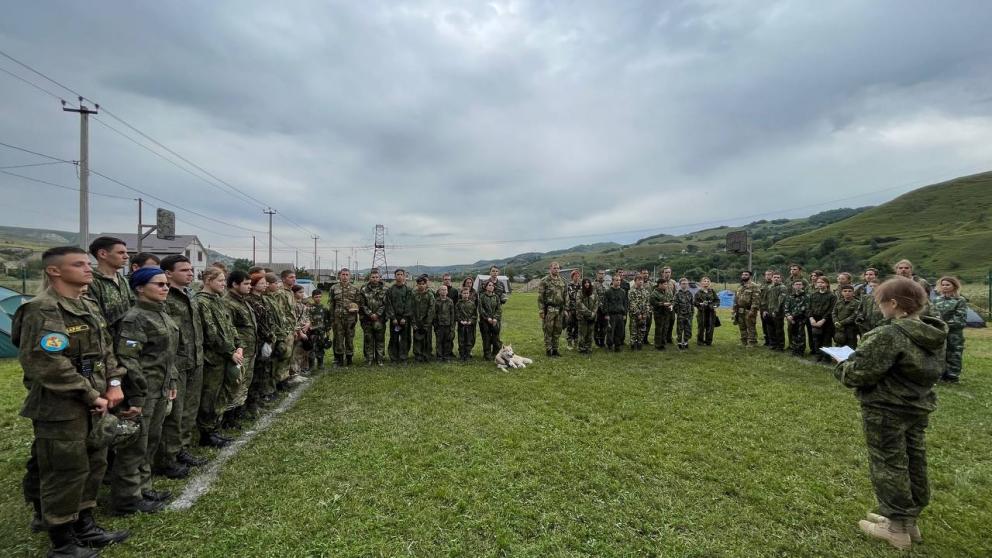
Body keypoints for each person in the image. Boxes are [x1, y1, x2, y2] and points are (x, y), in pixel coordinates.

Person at [13, 246, 131, 555]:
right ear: (54, 271)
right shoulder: (42, 309)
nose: (88, 268)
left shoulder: (88, 304)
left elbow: (107, 351)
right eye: (79, 264)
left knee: (94, 463)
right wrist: (92, 394)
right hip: (61, 406)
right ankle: (63, 541)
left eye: (88, 263)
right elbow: (47, 363)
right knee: (65, 470)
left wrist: (114, 385)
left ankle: (85, 526)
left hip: (97, 399)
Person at [833, 277, 946, 551]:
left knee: (889, 463)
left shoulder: (889, 334)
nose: (879, 308)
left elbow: (859, 373)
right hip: (916, 406)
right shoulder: (932, 333)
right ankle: (909, 521)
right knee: (913, 459)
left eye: (880, 302)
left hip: (886, 408)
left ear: (893, 303)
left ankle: (895, 527)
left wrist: (843, 364)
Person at [109, 267, 179, 515]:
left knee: (151, 440)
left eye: (166, 284)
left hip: (160, 387)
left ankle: (143, 487)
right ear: (140, 288)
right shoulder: (135, 318)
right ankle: (127, 498)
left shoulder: (161, 314)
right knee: (135, 445)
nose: (165, 288)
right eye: (158, 284)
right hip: (143, 390)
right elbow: (129, 360)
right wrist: (137, 395)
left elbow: (168, 356)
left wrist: (170, 382)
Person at [155, 255, 207, 477]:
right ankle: (167, 457)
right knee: (174, 413)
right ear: (168, 273)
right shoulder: (164, 298)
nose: (190, 273)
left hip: (194, 358)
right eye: (184, 270)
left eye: (191, 269)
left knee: (189, 409)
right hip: (176, 362)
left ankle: (181, 449)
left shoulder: (189, 295)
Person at [194, 267, 242, 449]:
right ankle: (206, 433)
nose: (224, 284)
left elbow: (229, 326)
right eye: (220, 281)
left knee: (222, 393)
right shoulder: (201, 302)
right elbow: (211, 333)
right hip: (213, 358)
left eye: (224, 280)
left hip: (228, 356)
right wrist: (230, 352)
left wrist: (238, 346)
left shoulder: (218, 301)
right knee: (210, 396)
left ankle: (214, 428)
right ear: (208, 280)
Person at [222, 271, 257, 428]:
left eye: (250, 284)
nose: (249, 287)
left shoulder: (243, 301)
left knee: (244, 383)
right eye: (246, 284)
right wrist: (236, 349)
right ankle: (228, 418)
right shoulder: (228, 303)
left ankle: (238, 412)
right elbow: (229, 329)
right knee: (235, 384)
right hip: (239, 351)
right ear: (235, 284)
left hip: (249, 349)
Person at [87, 236, 135, 335]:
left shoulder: (123, 280)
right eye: (121, 253)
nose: (127, 256)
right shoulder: (91, 281)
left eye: (126, 253)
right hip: (105, 341)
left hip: (126, 338)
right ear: (102, 254)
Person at [244, 271, 277, 415]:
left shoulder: (263, 299)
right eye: (262, 283)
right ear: (254, 285)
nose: (265, 285)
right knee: (255, 374)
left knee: (263, 371)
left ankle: (257, 400)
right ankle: (251, 404)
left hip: (266, 339)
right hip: (258, 340)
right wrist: (267, 336)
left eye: (266, 283)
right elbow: (259, 323)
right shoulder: (251, 300)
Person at [933, 276, 968, 383]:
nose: (945, 287)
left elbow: (960, 318)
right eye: (943, 285)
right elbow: (933, 314)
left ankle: (952, 376)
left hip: (954, 333)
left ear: (954, 286)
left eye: (947, 285)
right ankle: (940, 375)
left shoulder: (960, 300)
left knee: (954, 353)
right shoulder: (937, 300)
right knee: (939, 353)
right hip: (939, 331)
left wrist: (944, 324)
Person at [329, 268, 361, 367]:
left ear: (350, 276)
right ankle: (338, 359)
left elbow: (359, 303)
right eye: (343, 274)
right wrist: (331, 319)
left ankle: (349, 358)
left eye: (347, 274)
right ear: (339, 276)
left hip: (350, 319)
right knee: (338, 338)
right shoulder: (334, 288)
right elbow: (331, 304)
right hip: (337, 318)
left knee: (349, 338)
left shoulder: (355, 289)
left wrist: (355, 308)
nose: (345, 277)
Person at [537, 262, 567, 357]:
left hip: (560, 309)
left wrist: (566, 309)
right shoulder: (545, 281)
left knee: (557, 330)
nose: (556, 270)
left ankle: (555, 349)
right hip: (549, 309)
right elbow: (540, 297)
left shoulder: (563, 281)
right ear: (550, 269)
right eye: (554, 268)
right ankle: (548, 350)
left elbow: (566, 296)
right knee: (548, 330)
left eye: (558, 268)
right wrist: (541, 310)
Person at [359, 268, 387, 366]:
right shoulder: (363, 289)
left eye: (376, 277)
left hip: (380, 319)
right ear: (369, 278)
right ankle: (369, 359)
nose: (375, 279)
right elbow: (362, 304)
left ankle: (380, 359)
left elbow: (385, 304)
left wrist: (377, 314)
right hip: (367, 319)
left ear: (379, 278)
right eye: (373, 277)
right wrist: (370, 314)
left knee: (380, 339)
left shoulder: (385, 289)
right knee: (368, 339)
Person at [385, 269, 414, 364]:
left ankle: (403, 357)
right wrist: (392, 318)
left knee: (405, 339)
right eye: (398, 274)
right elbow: (388, 304)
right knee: (394, 338)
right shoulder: (390, 290)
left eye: (401, 274)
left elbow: (409, 304)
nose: (400, 276)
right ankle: (394, 358)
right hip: (394, 319)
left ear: (404, 276)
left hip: (404, 319)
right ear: (395, 276)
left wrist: (405, 318)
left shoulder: (408, 290)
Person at [809, 276, 836, 362]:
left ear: (827, 284)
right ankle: (818, 356)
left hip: (827, 321)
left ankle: (826, 358)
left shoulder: (832, 296)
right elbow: (809, 307)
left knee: (826, 339)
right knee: (816, 338)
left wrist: (823, 320)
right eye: (818, 282)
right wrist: (811, 318)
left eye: (822, 282)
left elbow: (831, 309)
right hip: (815, 319)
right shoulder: (813, 295)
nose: (820, 284)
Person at [410, 275, 436, 363]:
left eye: (423, 284)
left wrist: (427, 323)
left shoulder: (430, 295)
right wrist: (413, 323)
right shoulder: (414, 294)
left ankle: (426, 355)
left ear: (426, 284)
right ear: (417, 285)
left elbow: (431, 309)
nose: (421, 285)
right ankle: (418, 355)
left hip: (426, 322)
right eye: (419, 284)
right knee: (417, 338)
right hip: (417, 321)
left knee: (427, 339)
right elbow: (411, 309)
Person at [732, 270, 762, 347]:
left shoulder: (754, 286)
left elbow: (756, 299)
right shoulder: (740, 286)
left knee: (750, 326)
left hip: (749, 309)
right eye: (743, 275)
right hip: (739, 309)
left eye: (746, 275)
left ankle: (752, 342)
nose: (744, 276)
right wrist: (734, 309)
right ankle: (744, 341)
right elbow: (736, 298)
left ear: (750, 276)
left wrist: (753, 310)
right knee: (742, 326)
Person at [289, 285, 312, 376]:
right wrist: (300, 332)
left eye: (303, 292)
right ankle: (294, 373)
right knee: (295, 354)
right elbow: (293, 320)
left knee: (303, 352)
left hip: (305, 331)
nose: (302, 294)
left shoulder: (303, 305)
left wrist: (308, 324)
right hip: (298, 333)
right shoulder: (293, 305)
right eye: (300, 292)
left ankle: (302, 369)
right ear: (294, 293)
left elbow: (307, 317)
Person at [762, 272, 787, 351]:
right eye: (775, 277)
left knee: (779, 329)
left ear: (781, 279)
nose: (776, 279)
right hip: (769, 311)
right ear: (772, 278)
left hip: (778, 312)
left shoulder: (782, 287)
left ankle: (780, 346)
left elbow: (781, 300)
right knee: (770, 329)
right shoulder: (769, 287)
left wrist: (776, 311)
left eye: (778, 277)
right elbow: (765, 299)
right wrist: (764, 310)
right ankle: (773, 344)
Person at [602, 275, 628, 352]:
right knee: (610, 331)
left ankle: (617, 345)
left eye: (619, 280)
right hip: (611, 314)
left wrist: (624, 314)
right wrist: (606, 314)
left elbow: (625, 303)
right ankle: (609, 346)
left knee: (619, 331)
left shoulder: (622, 291)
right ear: (612, 281)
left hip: (620, 314)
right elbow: (605, 304)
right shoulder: (608, 291)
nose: (618, 281)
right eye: (616, 280)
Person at [479, 280, 503, 360]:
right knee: (486, 338)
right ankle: (487, 354)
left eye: (492, 285)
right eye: (489, 285)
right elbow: (481, 309)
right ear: (485, 287)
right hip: (485, 321)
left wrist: (495, 318)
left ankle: (496, 353)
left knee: (496, 338)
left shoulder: (496, 297)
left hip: (495, 321)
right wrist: (487, 318)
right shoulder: (482, 296)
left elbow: (499, 309)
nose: (491, 286)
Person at [784, 280, 809, 356]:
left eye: (799, 284)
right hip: (791, 319)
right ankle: (794, 349)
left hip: (801, 318)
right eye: (796, 284)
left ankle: (800, 351)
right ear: (793, 286)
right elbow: (786, 308)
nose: (798, 286)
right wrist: (788, 316)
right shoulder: (790, 297)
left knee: (800, 335)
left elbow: (807, 308)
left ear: (802, 286)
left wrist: (795, 316)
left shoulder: (807, 296)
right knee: (793, 333)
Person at [694, 276, 720, 346]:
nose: (706, 282)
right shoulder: (698, 292)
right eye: (704, 281)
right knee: (701, 327)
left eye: (708, 281)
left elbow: (717, 300)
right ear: (701, 283)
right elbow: (695, 302)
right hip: (702, 312)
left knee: (710, 327)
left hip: (711, 312)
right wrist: (700, 304)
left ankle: (708, 342)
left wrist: (715, 305)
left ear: (710, 283)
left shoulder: (712, 291)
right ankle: (700, 342)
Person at [649, 278, 674, 351]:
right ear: (660, 284)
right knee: (659, 329)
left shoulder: (668, 292)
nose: (666, 285)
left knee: (665, 329)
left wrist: (671, 305)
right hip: (659, 314)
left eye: (666, 284)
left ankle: (663, 343)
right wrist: (663, 304)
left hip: (667, 313)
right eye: (665, 284)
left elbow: (671, 300)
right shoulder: (655, 293)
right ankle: (658, 344)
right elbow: (653, 302)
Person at [575, 278, 599, 354]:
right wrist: (589, 313)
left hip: (592, 316)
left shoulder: (594, 292)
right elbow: (579, 303)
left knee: (590, 333)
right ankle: (581, 348)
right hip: (583, 316)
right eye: (585, 283)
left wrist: (593, 313)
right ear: (583, 284)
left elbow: (596, 303)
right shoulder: (580, 292)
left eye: (588, 282)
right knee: (582, 333)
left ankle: (588, 347)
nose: (587, 284)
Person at [833, 284, 860, 350]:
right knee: (839, 342)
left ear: (853, 293)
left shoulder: (857, 303)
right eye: (845, 291)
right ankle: (840, 359)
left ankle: (850, 360)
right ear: (842, 293)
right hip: (839, 327)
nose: (847, 293)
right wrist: (836, 321)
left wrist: (841, 323)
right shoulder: (839, 302)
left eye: (849, 291)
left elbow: (854, 316)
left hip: (851, 328)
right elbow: (834, 313)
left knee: (850, 345)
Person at [628, 274, 650, 351]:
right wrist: (638, 314)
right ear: (635, 281)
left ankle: (640, 343)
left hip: (644, 314)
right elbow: (632, 303)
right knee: (634, 329)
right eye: (638, 280)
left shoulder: (646, 292)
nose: (640, 281)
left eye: (642, 280)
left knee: (642, 330)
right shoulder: (631, 291)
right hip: (634, 315)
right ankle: (633, 344)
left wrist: (645, 313)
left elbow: (647, 303)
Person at [434, 285, 455, 362]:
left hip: (448, 325)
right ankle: (439, 357)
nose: (443, 291)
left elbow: (452, 314)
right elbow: (434, 314)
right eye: (442, 290)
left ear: (447, 291)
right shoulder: (436, 301)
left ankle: (446, 357)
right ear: (439, 291)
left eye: (445, 290)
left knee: (447, 341)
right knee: (439, 341)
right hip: (439, 325)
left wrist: (452, 326)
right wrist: (435, 325)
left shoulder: (450, 301)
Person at [455, 287, 477, 361]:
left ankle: (467, 355)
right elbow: (457, 314)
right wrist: (460, 320)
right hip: (461, 325)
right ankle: (462, 355)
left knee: (469, 340)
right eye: (464, 293)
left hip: (469, 325)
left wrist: (471, 321)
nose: (465, 295)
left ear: (469, 294)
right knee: (461, 340)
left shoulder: (472, 304)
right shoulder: (458, 304)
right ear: (461, 294)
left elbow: (475, 315)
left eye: (467, 293)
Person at [673, 277, 694, 350]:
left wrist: (692, 313)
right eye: (683, 284)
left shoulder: (690, 293)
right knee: (680, 329)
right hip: (681, 315)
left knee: (688, 329)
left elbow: (692, 304)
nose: (684, 285)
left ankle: (685, 342)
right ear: (680, 284)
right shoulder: (677, 294)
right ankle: (679, 343)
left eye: (686, 284)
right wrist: (678, 312)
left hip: (689, 315)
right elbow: (675, 305)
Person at [659, 267, 678, 345]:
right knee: (663, 324)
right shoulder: (660, 282)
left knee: (672, 321)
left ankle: (669, 337)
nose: (667, 274)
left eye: (669, 272)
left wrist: (672, 304)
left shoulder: (673, 282)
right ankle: (662, 338)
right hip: (662, 306)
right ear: (662, 273)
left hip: (671, 306)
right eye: (666, 272)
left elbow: (675, 293)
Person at [564, 269, 581, 350]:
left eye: (578, 276)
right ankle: (569, 343)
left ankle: (576, 342)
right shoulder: (568, 286)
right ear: (572, 277)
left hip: (579, 310)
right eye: (575, 276)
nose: (577, 278)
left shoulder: (581, 286)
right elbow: (566, 298)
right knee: (570, 327)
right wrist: (566, 310)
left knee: (578, 327)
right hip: (571, 310)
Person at [759, 269, 775, 347]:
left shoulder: (774, 285)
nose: (768, 276)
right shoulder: (762, 285)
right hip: (762, 308)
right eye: (766, 275)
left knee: (771, 326)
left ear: (772, 276)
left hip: (771, 308)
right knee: (764, 325)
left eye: (769, 275)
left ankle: (773, 342)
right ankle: (767, 341)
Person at [593, 270, 608, 347]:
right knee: (596, 326)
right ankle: (596, 341)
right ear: (597, 274)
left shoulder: (607, 284)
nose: (601, 275)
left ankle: (602, 341)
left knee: (604, 326)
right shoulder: (594, 284)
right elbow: (594, 297)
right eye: (600, 274)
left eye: (603, 274)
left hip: (605, 309)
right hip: (597, 309)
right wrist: (600, 305)